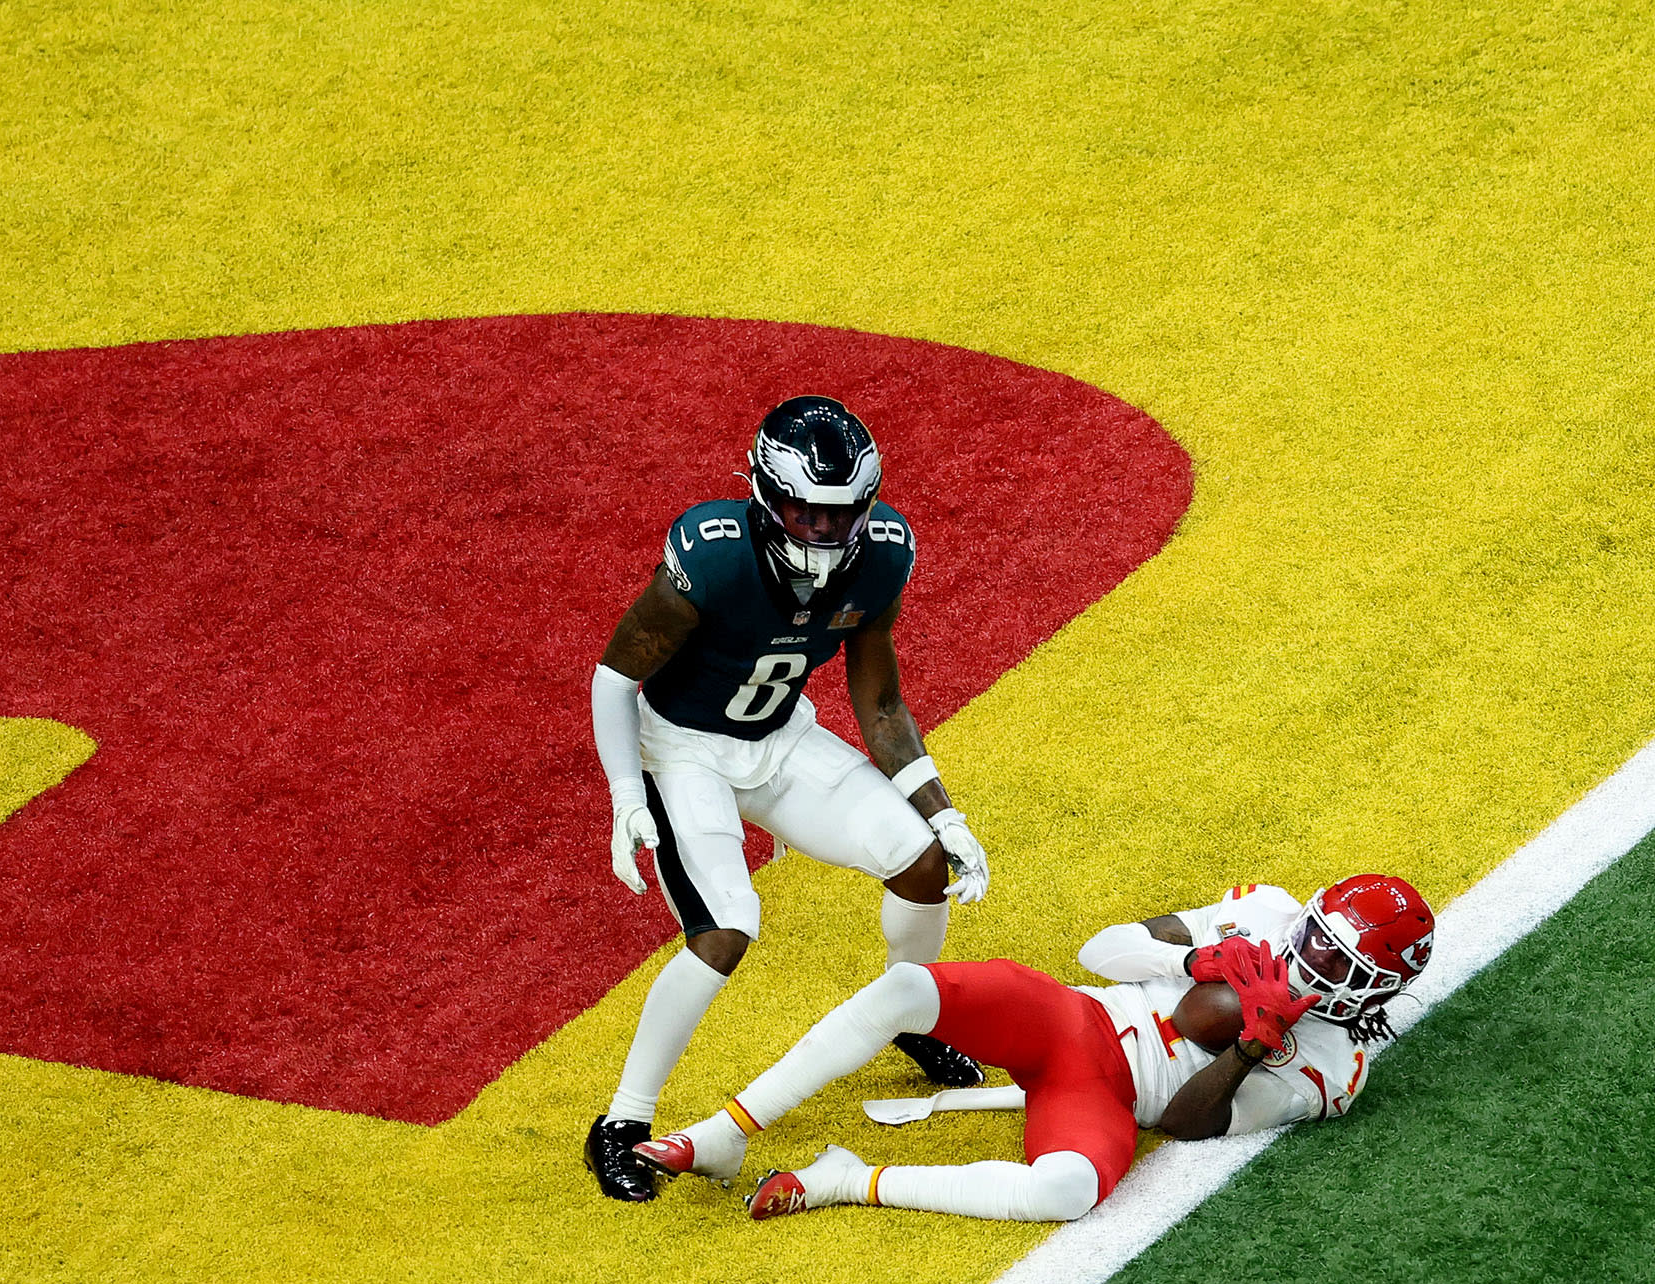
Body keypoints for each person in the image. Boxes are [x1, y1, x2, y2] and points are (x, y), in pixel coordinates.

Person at [584, 396, 992, 1202]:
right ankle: (621, 1120)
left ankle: (912, 1011)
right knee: (727, 928)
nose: (821, 532)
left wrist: (943, 812)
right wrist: (626, 794)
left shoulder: (879, 558)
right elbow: (615, 678)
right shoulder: (716, 554)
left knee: (921, 864)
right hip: (685, 752)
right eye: (804, 511)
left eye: (839, 515)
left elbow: (879, 703)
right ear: (767, 496)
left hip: (780, 738)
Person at [633, 875, 1436, 1222]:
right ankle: (725, 1132)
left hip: (1110, 1096)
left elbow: (1185, 1126)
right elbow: (1099, 950)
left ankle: (848, 1180)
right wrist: (1192, 961)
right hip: (1072, 1018)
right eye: (1318, 940)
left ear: (1372, 990)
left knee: (1065, 1190)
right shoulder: (1264, 912)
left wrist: (1253, 1050)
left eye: (1339, 963)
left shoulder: (1335, 1066)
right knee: (907, 988)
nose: (1311, 960)